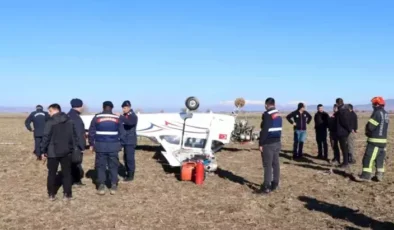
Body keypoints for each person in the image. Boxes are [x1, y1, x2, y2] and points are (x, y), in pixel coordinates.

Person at [41, 104, 79, 201]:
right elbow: (75, 136)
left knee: (52, 173)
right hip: (67, 151)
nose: (49, 113)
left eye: (49, 111)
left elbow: (46, 137)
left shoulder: (50, 122)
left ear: (54, 110)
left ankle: (51, 194)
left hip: (52, 151)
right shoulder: (70, 121)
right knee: (66, 173)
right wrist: (73, 147)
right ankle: (67, 194)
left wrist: (43, 151)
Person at [88, 101, 126, 195]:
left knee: (101, 165)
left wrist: (91, 144)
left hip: (100, 146)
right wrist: (120, 144)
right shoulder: (117, 118)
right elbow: (123, 133)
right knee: (113, 165)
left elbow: (91, 132)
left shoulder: (97, 117)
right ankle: (113, 185)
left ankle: (101, 185)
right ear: (112, 108)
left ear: (103, 107)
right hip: (113, 146)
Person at [355, 97, 389, 182]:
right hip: (383, 141)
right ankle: (379, 175)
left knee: (368, 158)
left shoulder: (377, 113)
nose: (372, 106)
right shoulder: (386, 113)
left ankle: (365, 176)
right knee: (380, 159)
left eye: (373, 104)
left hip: (374, 141)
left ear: (377, 104)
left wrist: (367, 132)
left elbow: (370, 127)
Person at [256, 97, 282, 195]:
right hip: (277, 142)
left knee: (267, 165)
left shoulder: (267, 115)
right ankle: (275, 183)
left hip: (268, 143)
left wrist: (261, 143)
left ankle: (266, 186)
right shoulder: (278, 114)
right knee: (276, 164)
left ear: (266, 105)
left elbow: (265, 130)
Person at [67, 98, 86, 186]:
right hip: (75, 145)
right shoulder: (76, 118)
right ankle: (76, 181)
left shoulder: (67, 115)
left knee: (69, 163)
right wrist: (82, 146)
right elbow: (79, 133)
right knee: (76, 162)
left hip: (67, 144)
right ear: (80, 106)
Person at [119, 100, 138, 181]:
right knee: (125, 157)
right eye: (123, 108)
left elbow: (130, 123)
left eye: (125, 108)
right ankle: (127, 171)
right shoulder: (125, 116)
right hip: (124, 140)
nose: (124, 109)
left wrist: (121, 117)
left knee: (130, 158)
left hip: (130, 141)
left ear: (129, 107)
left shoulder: (133, 116)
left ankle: (130, 175)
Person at [335, 98, 352, 169]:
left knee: (344, 148)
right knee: (344, 148)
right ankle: (345, 162)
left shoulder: (341, 111)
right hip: (344, 132)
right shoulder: (346, 110)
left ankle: (345, 163)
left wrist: (349, 129)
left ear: (337, 103)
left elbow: (344, 122)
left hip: (342, 132)